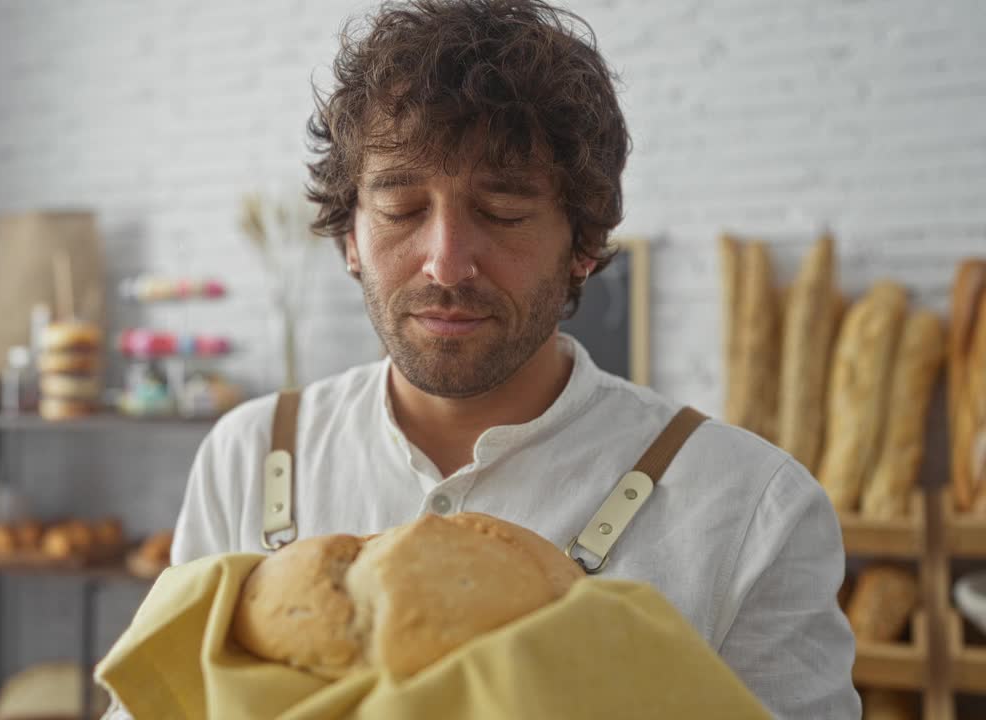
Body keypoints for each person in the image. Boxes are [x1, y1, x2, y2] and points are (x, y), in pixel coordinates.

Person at [130, 1, 861, 718]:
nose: (446, 263)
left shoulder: (754, 510)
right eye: (402, 209)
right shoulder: (251, 454)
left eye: (503, 212)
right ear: (349, 235)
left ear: (582, 244)